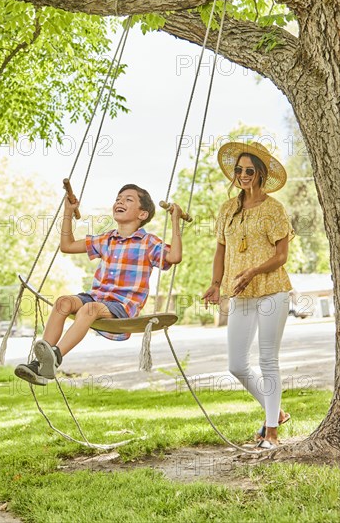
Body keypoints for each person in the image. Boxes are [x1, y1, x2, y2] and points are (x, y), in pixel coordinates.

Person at [15, 184, 183, 386]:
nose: (120, 201)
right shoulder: (106, 239)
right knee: (62, 303)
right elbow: (67, 246)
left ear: (142, 214)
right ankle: (40, 365)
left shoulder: (148, 242)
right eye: (118, 198)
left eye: (128, 199)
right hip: (97, 297)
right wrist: (68, 212)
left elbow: (174, 257)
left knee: (89, 309)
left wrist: (175, 221)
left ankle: (56, 356)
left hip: (122, 306)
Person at [202, 142, 294, 449]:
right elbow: (221, 249)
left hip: (272, 291)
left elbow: (282, 255)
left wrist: (253, 271)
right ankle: (276, 412)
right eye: (238, 170)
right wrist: (216, 284)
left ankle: (271, 434)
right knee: (237, 365)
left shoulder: (274, 209)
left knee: (268, 360)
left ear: (260, 174)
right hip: (239, 293)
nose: (242, 175)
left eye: (249, 170)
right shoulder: (227, 209)